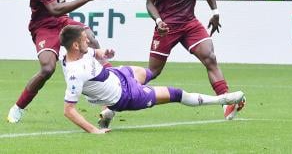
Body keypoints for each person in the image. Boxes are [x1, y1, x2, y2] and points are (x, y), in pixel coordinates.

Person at [59, 25, 245, 133]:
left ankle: (108, 112)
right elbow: (69, 110)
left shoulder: (72, 52)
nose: (88, 41)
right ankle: (224, 100)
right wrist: (94, 131)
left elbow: (94, 52)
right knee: (176, 94)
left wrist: (103, 53)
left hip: (119, 75)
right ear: (75, 45)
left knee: (147, 73)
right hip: (126, 95)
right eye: (85, 39)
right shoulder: (76, 73)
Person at [145, 0, 246, 121]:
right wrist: (158, 21)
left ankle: (227, 102)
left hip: (190, 23)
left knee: (210, 57)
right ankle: (119, 96)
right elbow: (149, 2)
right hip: (167, 27)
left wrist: (215, 12)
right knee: (153, 72)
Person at [7, 0, 108, 123]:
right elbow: (54, 9)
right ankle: (18, 107)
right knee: (47, 69)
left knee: (91, 39)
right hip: (44, 26)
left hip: (61, 21)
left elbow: (59, 10)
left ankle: (109, 90)